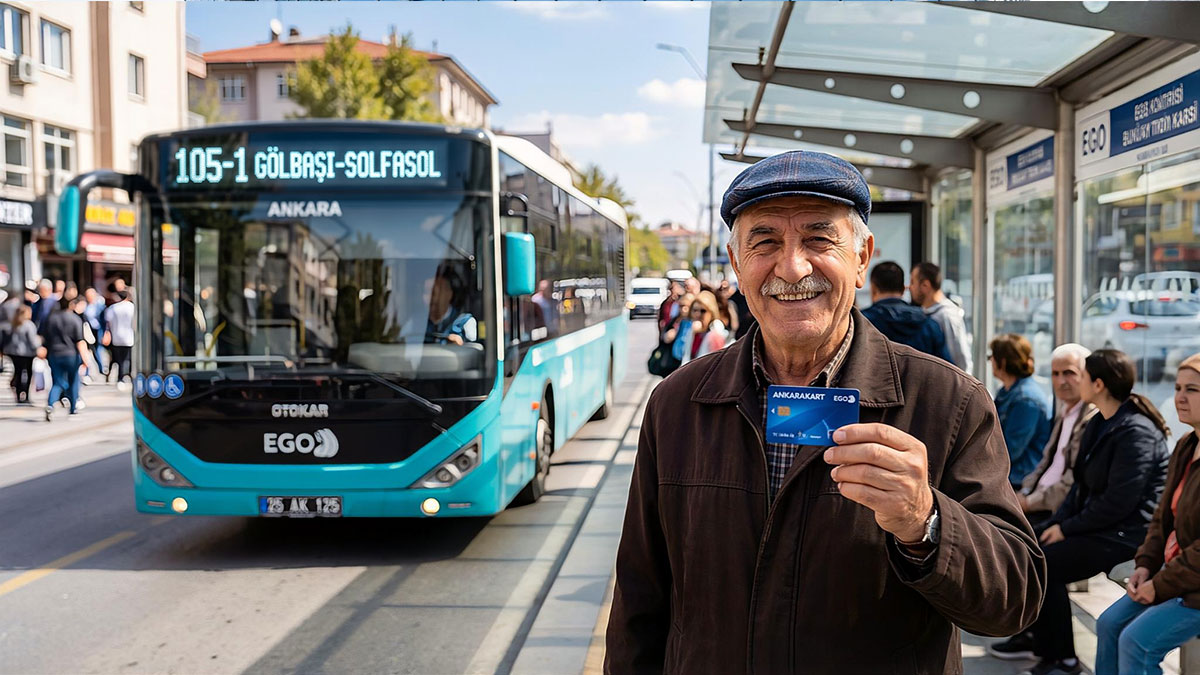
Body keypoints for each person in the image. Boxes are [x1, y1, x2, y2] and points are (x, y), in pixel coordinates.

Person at [606, 150, 1045, 674]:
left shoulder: (949, 403)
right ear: (737, 264)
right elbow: (639, 601)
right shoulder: (677, 405)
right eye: (765, 241)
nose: (792, 266)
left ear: (862, 259)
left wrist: (925, 521)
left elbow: (1014, 600)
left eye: (819, 238)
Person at [995, 349, 1170, 675]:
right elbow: (1079, 488)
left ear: (1098, 384)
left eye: (1082, 377)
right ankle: (1043, 645)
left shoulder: (1135, 432)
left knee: (1045, 565)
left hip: (1127, 535)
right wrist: (1058, 523)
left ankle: (1063, 658)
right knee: (1027, 544)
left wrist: (1067, 528)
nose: (1072, 383)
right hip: (1100, 527)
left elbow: (1119, 503)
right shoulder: (1102, 423)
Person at [1095, 353, 1200, 675]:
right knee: (1109, 623)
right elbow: (1161, 519)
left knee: (1136, 643)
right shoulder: (1186, 444)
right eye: (1178, 387)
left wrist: (1162, 583)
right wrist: (1145, 565)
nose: (1179, 397)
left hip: (1193, 584)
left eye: (1192, 390)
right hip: (1178, 572)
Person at [1016, 344, 1099, 525]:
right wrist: (1024, 493)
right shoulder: (1065, 412)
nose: (1061, 381)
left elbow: (1071, 481)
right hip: (1036, 498)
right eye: (1055, 374)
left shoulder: (1091, 417)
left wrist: (1028, 502)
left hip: (1054, 510)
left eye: (1069, 373)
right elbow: (1046, 461)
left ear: (1086, 376)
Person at [990, 333, 1053, 488]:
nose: (990, 361)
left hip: (1020, 478)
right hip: (1011, 473)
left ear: (1002, 362)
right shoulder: (1008, 391)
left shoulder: (1026, 400)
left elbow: (1010, 451)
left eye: (991, 357)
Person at [861, 261, 953, 362]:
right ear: (903, 289)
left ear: (873, 289)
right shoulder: (929, 324)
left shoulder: (863, 322)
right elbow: (946, 367)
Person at [910, 262, 973, 373]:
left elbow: (960, 360)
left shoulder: (946, 316)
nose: (909, 287)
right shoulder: (927, 313)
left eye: (912, 282)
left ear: (925, 285)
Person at [39, 295, 87, 420]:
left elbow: (44, 337)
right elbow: (80, 340)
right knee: (73, 381)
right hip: (71, 354)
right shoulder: (75, 319)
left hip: (54, 354)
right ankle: (72, 408)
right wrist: (85, 359)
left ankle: (50, 404)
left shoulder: (51, 318)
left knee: (57, 381)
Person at [2, 305, 39, 404]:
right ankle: (26, 393)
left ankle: (18, 394)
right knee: (28, 373)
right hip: (27, 353)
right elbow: (32, 341)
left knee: (18, 372)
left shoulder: (13, 324)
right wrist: (38, 347)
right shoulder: (29, 325)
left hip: (14, 352)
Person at [679, 290, 727, 365]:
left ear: (711, 313)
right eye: (695, 310)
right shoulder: (692, 331)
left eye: (703, 311)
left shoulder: (715, 334)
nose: (697, 314)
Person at [103, 289, 136, 388]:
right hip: (129, 337)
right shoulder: (132, 307)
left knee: (118, 359)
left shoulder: (113, 308)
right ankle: (128, 375)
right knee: (128, 358)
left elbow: (108, 322)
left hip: (116, 336)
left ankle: (120, 377)